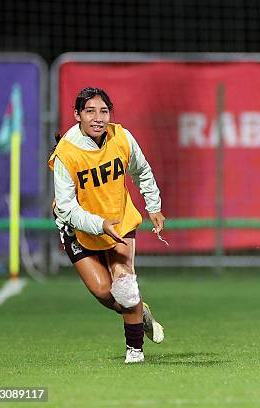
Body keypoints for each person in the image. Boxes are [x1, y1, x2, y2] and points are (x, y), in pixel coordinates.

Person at [48, 87, 165, 364]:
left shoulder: (121, 137)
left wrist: (154, 206)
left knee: (124, 286)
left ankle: (135, 351)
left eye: (104, 111)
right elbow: (66, 207)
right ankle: (139, 310)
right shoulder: (67, 152)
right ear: (77, 115)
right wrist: (99, 224)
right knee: (104, 292)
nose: (98, 118)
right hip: (79, 228)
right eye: (90, 111)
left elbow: (142, 170)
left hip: (119, 220)